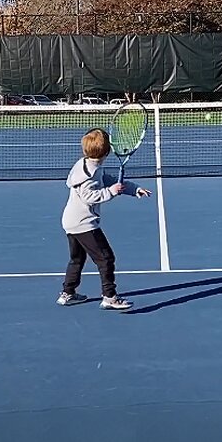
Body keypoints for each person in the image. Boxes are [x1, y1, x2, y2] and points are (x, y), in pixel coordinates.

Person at [58, 128, 152, 310]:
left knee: (77, 259)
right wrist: (111, 192)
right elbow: (89, 196)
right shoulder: (90, 175)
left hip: (70, 221)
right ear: (107, 151)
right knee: (106, 259)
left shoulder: (86, 165)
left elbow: (107, 179)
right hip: (83, 223)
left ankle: (68, 293)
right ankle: (109, 297)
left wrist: (134, 189)